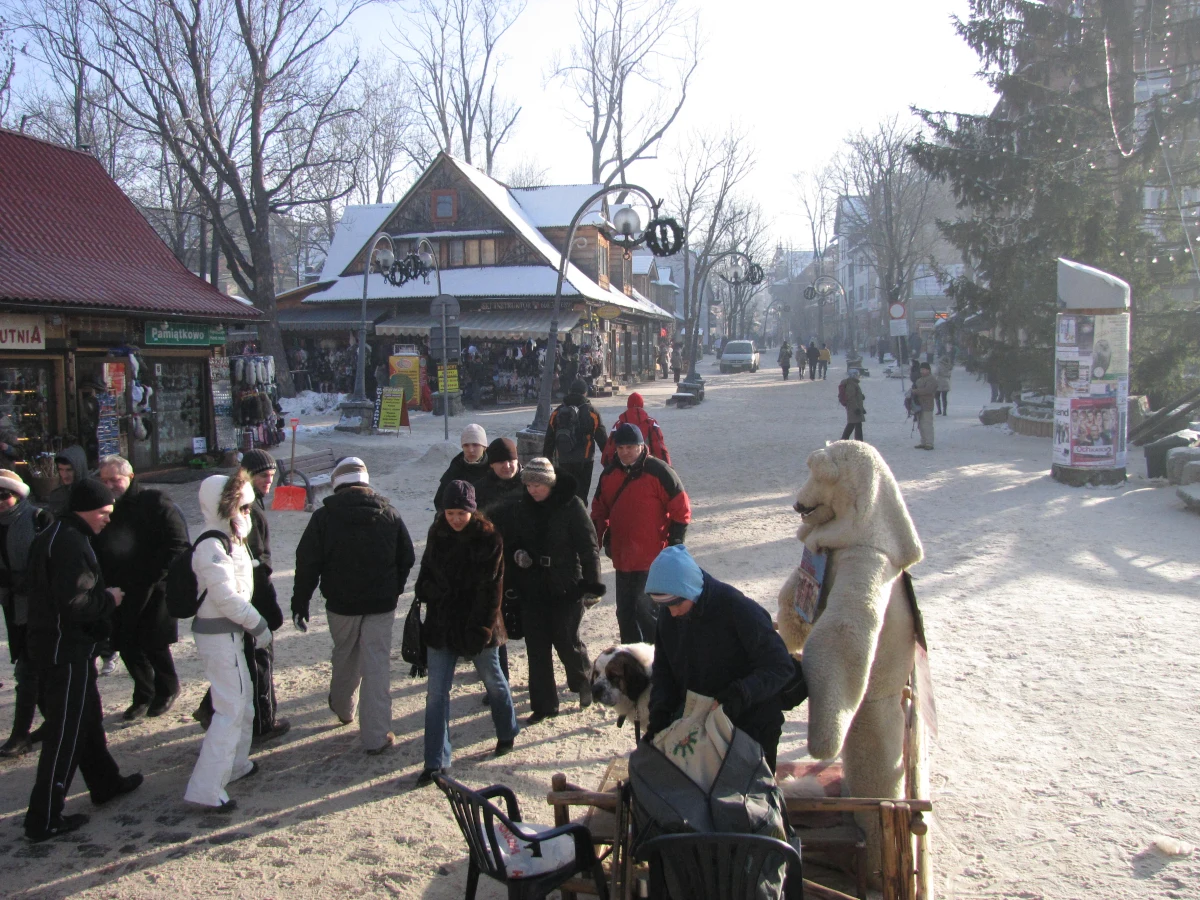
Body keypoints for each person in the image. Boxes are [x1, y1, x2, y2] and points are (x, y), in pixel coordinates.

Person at [24, 479, 143, 841]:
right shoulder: (70, 542)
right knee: (66, 732)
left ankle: (105, 783)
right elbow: (74, 603)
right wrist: (110, 599)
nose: (108, 519)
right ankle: (44, 817)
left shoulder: (57, 533)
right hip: (65, 650)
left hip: (59, 646)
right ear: (85, 510)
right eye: (104, 512)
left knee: (87, 719)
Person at [292, 458, 415, 754]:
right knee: (377, 666)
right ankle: (376, 736)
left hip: (340, 605)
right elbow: (407, 557)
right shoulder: (390, 513)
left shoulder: (323, 518)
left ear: (337, 483)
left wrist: (300, 601)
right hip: (381, 604)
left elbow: (307, 563)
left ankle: (344, 707)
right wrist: (395, 588)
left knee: (345, 655)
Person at [643, 545, 794, 772]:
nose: (672, 612)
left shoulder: (738, 608)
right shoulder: (669, 616)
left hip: (752, 726)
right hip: (702, 729)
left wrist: (738, 695)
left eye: (676, 603)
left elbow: (780, 666)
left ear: (690, 589)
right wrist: (659, 719)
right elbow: (664, 672)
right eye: (664, 606)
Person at [414, 480, 518, 786]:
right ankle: (435, 761)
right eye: (450, 513)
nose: (455, 519)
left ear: (473, 511)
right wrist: (432, 591)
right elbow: (424, 576)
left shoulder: (489, 538)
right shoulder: (438, 532)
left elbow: (492, 591)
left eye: (461, 513)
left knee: (494, 682)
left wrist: (481, 630)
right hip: (442, 625)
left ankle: (507, 730)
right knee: (436, 694)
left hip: (478, 625)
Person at [184, 472, 273, 812]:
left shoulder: (227, 539)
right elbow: (225, 597)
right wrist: (258, 624)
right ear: (225, 507)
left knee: (243, 701)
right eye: (244, 508)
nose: (249, 514)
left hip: (231, 632)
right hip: (219, 634)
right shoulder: (212, 544)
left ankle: (235, 763)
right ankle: (206, 788)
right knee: (230, 708)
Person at [193, 450, 289, 744]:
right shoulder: (245, 514)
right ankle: (261, 723)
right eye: (263, 476)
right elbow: (252, 562)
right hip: (248, 600)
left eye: (272, 476)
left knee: (243, 664)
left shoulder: (250, 505)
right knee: (256, 661)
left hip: (245, 601)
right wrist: (265, 611)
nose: (268, 481)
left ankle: (212, 708)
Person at [500, 459, 603, 725]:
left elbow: (588, 548)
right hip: (532, 585)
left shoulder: (571, 505)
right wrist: (518, 555)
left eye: (538, 485)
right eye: (528, 485)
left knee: (566, 641)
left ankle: (583, 682)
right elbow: (513, 541)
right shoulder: (522, 507)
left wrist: (592, 585)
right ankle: (544, 705)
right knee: (537, 647)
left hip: (565, 583)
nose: (532, 490)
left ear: (550, 483)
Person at [93, 456, 189, 721]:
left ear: (130, 477)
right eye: (104, 481)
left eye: (115, 480)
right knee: (125, 643)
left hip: (153, 586)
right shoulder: (104, 508)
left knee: (154, 643)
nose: (109, 486)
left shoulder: (154, 501)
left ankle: (167, 688)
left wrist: (156, 575)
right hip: (119, 587)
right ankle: (144, 693)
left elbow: (178, 543)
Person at [591, 423, 691, 645]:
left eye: (630, 447)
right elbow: (599, 510)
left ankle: (657, 656)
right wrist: (594, 543)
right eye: (620, 448)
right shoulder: (609, 475)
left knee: (646, 610)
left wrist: (675, 545)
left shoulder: (660, 471)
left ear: (641, 446)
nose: (625, 452)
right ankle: (631, 656)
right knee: (625, 612)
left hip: (652, 557)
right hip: (622, 556)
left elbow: (681, 509)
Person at [0, 470, 52, 758]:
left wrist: (23, 580)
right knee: (34, 668)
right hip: (12, 607)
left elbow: (51, 563)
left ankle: (20, 735)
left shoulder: (38, 518)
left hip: (38, 606)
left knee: (27, 671)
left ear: (18, 495)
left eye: (4, 495)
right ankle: (54, 722)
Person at [543, 377, 607, 503]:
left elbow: (549, 439)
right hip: (585, 460)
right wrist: (609, 461)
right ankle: (581, 512)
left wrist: (547, 461)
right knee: (582, 495)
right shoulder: (592, 412)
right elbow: (602, 439)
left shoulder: (557, 412)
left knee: (566, 494)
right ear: (585, 392)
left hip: (563, 459)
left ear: (570, 391)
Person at [599, 392, 671, 467]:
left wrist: (609, 467)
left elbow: (610, 449)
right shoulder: (651, 423)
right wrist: (666, 467)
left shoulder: (618, 424)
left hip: (623, 466)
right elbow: (659, 447)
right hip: (647, 465)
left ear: (628, 406)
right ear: (642, 405)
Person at [433, 425, 490, 511]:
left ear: (484, 447)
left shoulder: (494, 467)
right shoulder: (455, 468)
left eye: (475, 445)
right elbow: (440, 501)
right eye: (466, 445)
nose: (470, 450)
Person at [472, 437, 524, 514]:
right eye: (501, 462)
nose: (507, 466)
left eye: (510, 460)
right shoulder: (478, 490)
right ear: (491, 464)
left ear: (517, 461)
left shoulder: (530, 485)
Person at [914, 362, 938, 450]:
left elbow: (927, 390)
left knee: (927, 424)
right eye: (921, 369)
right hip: (919, 405)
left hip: (927, 405)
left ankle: (929, 443)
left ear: (928, 370)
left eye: (924, 369)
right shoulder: (920, 379)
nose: (922, 371)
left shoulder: (932, 379)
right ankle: (923, 442)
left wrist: (915, 391)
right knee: (921, 425)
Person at [839, 370, 866, 442]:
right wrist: (856, 408)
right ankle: (857, 441)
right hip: (853, 408)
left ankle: (846, 440)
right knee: (853, 425)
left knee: (854, 424)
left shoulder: (854, 383)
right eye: (857, 375)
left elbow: (855, 396)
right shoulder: (851, 384)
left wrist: (861, 406)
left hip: (855, 408)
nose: (858, 376)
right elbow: (851, 397)